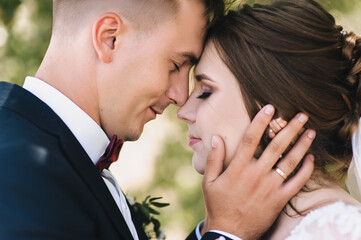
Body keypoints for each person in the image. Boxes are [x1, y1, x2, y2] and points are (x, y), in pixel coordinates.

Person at [0, 0, 315, 239]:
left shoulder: (45, 155)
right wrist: (226, 232)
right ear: (110, 39)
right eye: (176, 64)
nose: (181, 96)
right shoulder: (16, 173)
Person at [178, 0, 361, 239]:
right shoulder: (234, 226)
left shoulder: (338, 230)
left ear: (278, 111)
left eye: (205, 92)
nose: (183, 111)